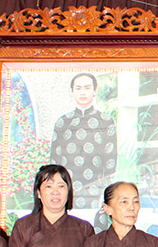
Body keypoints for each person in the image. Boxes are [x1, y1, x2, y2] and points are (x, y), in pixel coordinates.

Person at [49, 72, 117, 214]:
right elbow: (54, 161)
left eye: (87, 88)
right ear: (72, 91)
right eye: (78, 88)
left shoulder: (106, 121)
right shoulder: (63, 122)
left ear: (94, 90)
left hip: (96, 191)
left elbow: (110, 162)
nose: (83, 92)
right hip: (66, 192)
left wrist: (105, 194)